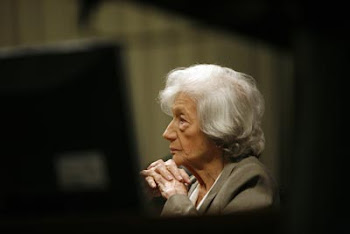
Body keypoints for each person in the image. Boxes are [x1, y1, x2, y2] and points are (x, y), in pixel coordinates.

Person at [140, 64, 279, 217]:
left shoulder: (250, 179)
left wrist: (176, 198)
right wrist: (142, 194)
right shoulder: (190, 182)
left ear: (220, 128)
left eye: (182, 120)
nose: (167, 133)